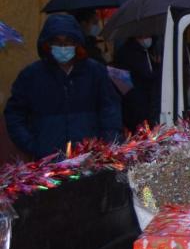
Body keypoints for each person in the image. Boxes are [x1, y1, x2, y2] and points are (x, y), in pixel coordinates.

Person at [4, 13, 122, 159]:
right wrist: (33, 145)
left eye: (68, 42)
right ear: (48, 45)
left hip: (89, 157)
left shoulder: (95, 72)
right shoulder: (31, 75)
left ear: (77, 44)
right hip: (47, 161)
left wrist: (107, 143)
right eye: (58, 43)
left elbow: (110, 109)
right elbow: (14, 114)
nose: (63, 47)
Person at [114, 35, 160, 131]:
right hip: (136, 104)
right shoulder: (130, 53)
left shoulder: (143, 52)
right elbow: (147, 75)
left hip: (138, 102)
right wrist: (158, 68)